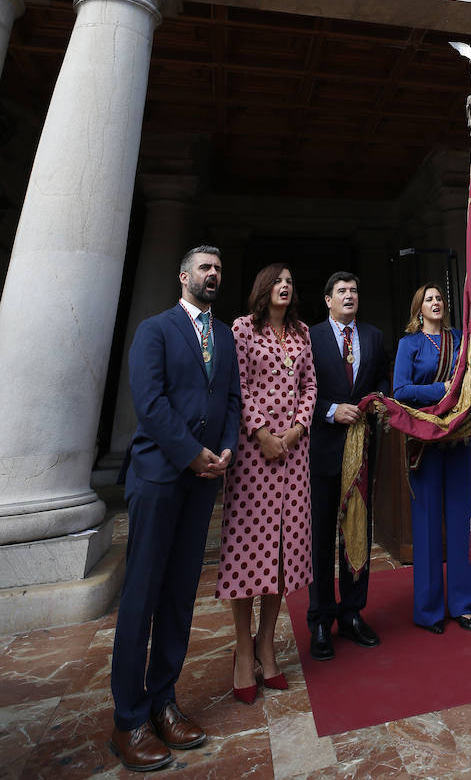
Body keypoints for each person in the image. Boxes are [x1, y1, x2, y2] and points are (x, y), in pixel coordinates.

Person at [110, 246, 241, 772]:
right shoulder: (155, 329)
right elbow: (151, 401)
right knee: (142, 595)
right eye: (205, 268)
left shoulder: (226, 335)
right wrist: (191, 455)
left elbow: (230, 398)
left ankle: (164, 700)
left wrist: (227, 448)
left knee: (181, 594)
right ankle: (129, 719)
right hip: (160, 476)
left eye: (218, 269)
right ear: (184, 276)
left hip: (205, 480)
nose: (213, 275)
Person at [217, 264, 317, 702]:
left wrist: (295, 430)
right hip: (254, 453)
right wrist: (262, 433)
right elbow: (236, 386)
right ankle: (243, 651)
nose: (285, 286)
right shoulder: (242, 329)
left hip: (294, 455)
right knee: (248, 550)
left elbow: (311, 384)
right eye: (278, 280)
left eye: (291, 282)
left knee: (282, 552)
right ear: (263, 287)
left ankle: (267, 643)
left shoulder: (301, 332)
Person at [307, 271, 388, 660]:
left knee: (357, 530)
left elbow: (383, 384)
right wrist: (328, 410)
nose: (349, 296)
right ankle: (320, 618)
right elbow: (300, 392)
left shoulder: (373, 337)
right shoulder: (311, 337)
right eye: (341, 291)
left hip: (361, 451)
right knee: (321, 537)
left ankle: (352, 612)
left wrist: (378, 404)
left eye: (354, 290)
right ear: (327, 299)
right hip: (323, 451)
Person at [392, 283, 471, 633]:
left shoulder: (460, 339)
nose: (436, 303)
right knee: (426, 526)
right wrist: (439, 390)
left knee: (460, 521)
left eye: (439, 298)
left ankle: (464, 604)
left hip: (458, 438)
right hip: (424, 442)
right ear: (419, 309)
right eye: (429, 299)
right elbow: (400, 390)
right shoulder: (408, 344)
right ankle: (429, 611)